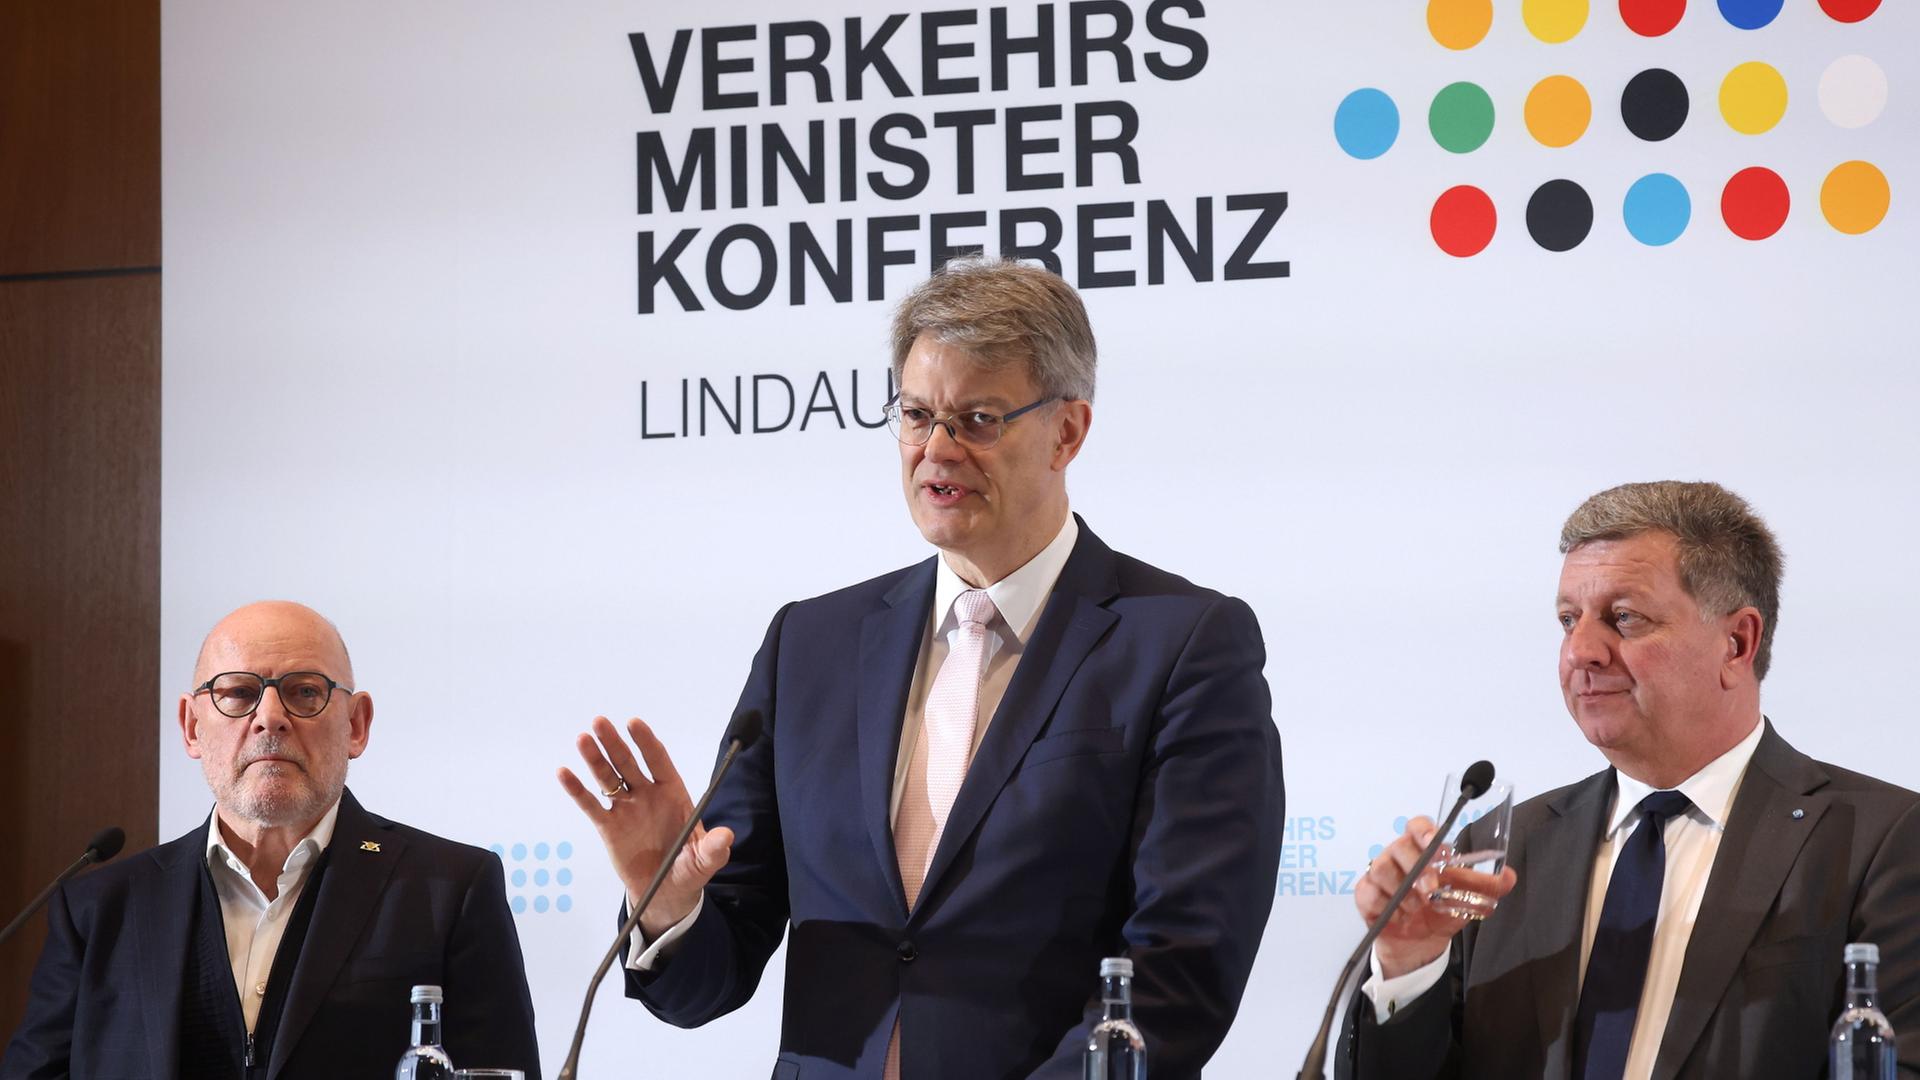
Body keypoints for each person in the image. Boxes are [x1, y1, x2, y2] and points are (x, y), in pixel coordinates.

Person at [560, 257, 1285, 1079]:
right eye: (916, 415)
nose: (937, 450)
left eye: (977, 419)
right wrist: (669, 902)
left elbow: (1180, 972)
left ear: (1068, 431)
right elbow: (705, 986)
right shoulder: (811, 646)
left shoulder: (1185, 645)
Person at [1339, 481, 1920, 1080]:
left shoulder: (1881, 841)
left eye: (1624, 618)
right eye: (1568, 619)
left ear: (1737, 642)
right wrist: (1409, 963)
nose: (1581, 650)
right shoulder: (1499, 852)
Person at [3, 601, 541, 1080]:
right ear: (192, 727)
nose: (270, 719)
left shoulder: (450, 890)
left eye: (305, 692)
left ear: (356, 724)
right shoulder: (101, 909)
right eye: (237, 693)